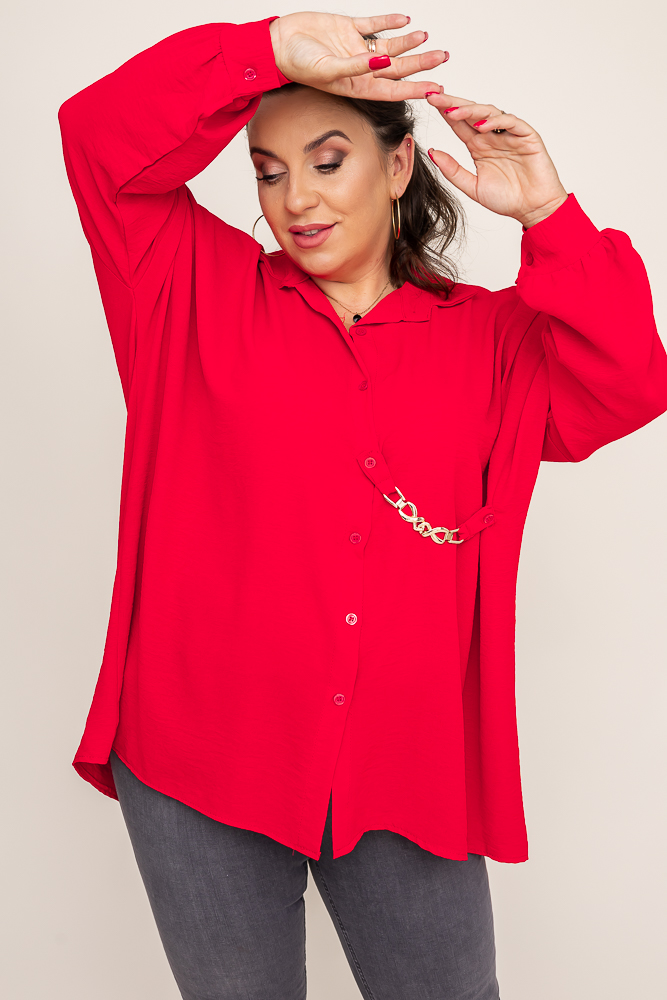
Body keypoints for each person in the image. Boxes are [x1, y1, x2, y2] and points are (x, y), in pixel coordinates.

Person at [58, 11, 667, 1000]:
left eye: (328, 160)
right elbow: (95, 135)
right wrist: (264, 50)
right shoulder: (187, 289)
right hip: (201, 753)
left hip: (404, 767)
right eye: (267, 171)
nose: (294, 198)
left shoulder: (493, 341)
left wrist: (549, 217)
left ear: (397, 166)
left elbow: (630, 384)